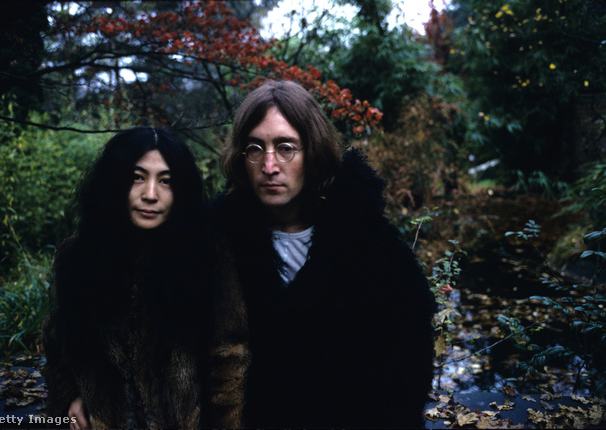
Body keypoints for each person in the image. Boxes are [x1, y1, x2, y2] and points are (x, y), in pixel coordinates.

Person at [216, 80, 437, 427]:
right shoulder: (218, 241)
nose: (269, 165)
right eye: (255, 148)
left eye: (286, 148)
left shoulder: (368, 242)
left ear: (312, 151)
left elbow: (410, 363)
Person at [43, 127, 248, 429]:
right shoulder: (78, 257)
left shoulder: (207, 256)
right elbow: (60, 341)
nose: (150, 195)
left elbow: (228, 359)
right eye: (137, 178)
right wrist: (70, 396)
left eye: (166, 181)